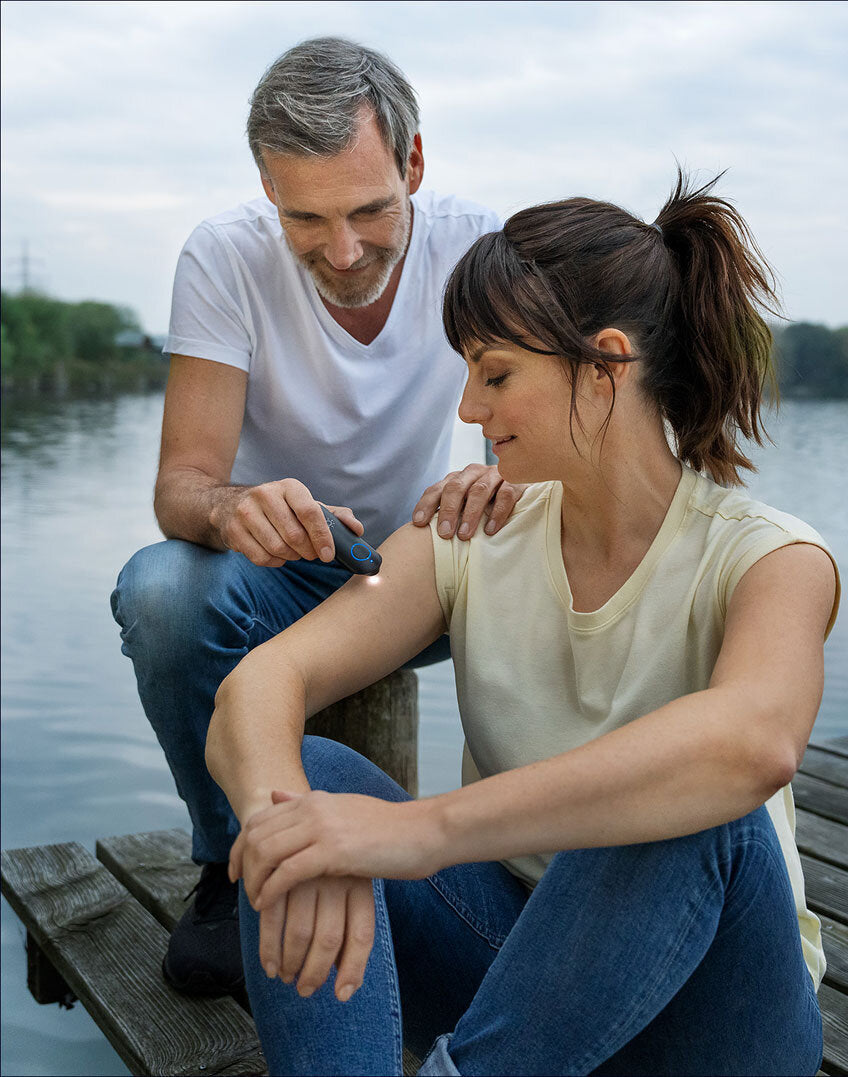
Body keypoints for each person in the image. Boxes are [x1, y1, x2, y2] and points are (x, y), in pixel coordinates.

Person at [206, 173, 840, 1076]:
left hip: (717, 1021)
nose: (469, 410)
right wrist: (301, 833)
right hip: (519, 990)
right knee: (299, 788)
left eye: (496, 373)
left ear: (604, 367)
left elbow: (754, 745)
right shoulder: (469, 530)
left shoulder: (770, 558)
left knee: (702, 805)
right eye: (467, 372)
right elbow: (256, 686)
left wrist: (418, 829)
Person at [110, 37, 522, 999]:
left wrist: (495, 491)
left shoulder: (479, 244)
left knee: (559, 572)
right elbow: (181, 485)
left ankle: (524, 856)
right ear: (265, 188)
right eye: (305, 218)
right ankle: (230, 861)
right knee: (160, 589)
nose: (343, 252)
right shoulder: (222, 258)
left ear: (415, 164)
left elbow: (528, 448)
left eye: (371, 210)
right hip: (282, 576)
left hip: (423, 574)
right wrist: (233, 507)